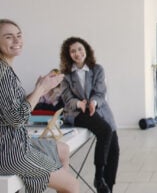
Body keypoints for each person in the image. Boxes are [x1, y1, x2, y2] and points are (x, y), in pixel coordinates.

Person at [0, 19, 78, 193]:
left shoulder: (6, 68)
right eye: (9, 37)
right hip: (9, 152)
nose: (17, 40)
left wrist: (40, 90)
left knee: (63, 150)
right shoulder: (3, 74)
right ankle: (62, 183)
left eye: (19, 36)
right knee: (72, 185)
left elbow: (13, 109)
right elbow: (17, 119)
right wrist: (41, 89)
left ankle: (59, 181)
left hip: (16, 142)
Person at [59, 37, 119, 193]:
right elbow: (67, 99)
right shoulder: (65, 75)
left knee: (114, 149)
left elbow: (100, 92)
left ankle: (107, 188)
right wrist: (80, 104)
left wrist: (93, 102)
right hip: (78, 113)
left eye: (80, 49)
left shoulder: (97, 69)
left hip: (100, 109)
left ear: (86, 49)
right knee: (105, 131)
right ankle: (99, 177)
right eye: (73, 51)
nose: (77, 53)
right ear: (68, 55)